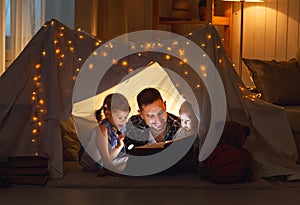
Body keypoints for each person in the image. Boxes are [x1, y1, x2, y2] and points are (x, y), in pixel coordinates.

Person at [124, 88, 198, 174]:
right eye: (151, 116)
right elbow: (120, 152)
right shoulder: (133, 125)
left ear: (165, 106)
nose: (158, 120)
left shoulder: (179, 126)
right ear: (141, 115)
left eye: (160, 113)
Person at [78, 93, 130, 174]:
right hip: (90, 160)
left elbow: (111, 156)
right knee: (102, 130)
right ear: (107, 114)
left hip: (102, 163)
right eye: (120, 118)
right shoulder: (103, 127)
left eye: (125, 117)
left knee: (131, 160)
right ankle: (109, 166)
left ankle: (110, 168)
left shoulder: (120, 129)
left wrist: (119, 146)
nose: (123, 121)